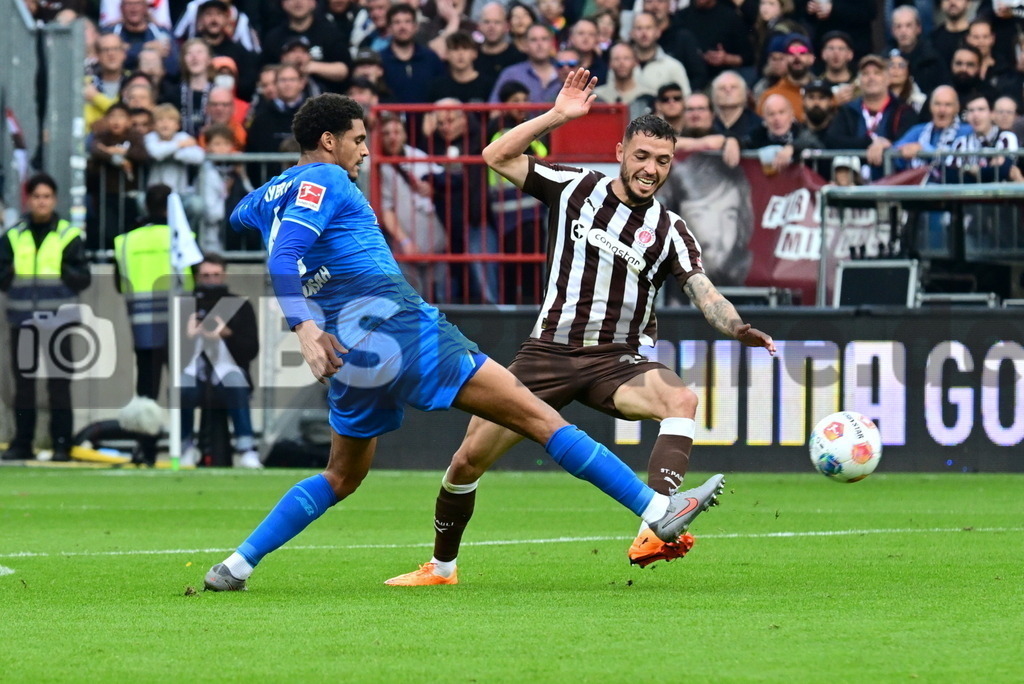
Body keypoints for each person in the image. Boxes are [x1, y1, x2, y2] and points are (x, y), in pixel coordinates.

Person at [204, 90, 731, 592]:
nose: (364, 151)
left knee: (341, 476)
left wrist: (279, 192)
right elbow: (283, 254)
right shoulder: (330, 180)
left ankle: (237, 564)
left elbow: (241, 214)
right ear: (328, 142)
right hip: (401, 330)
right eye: (358, 139)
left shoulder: (278, 191)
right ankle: (657, 509)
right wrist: (303, 326)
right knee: (541, 420)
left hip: (352, 355)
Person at [383, 74, 775, 587]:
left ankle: (655, 526)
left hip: (617, 360)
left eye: (661, 160)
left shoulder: (672, 230)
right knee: (465, 463)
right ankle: (442, 568)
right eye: (641, 156)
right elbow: (495, 157)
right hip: (546, 353)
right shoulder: (575, 187)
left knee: (681, 401)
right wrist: (557, 117)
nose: (650, 169)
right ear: (620, 151)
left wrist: (737, 325)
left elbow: (704, 291)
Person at [0, 174, 92, 462]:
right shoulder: (13, 235)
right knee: (24, 384)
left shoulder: (69, 235)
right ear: (29, 199)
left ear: (55, 199)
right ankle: (22, 442)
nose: (42, 201)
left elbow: (83, 278)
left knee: (59, 383)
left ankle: (62, 444)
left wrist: (65, 270)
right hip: (23, 319)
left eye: (47, 196)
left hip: (59, 321)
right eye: (37, 196)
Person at [113, 184, 176, 467]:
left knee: (147, 390)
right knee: (184, 387)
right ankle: (187, 445)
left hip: (143, 325)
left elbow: (118, 282)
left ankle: (145, 449)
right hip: (178, 323)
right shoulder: (180, 237)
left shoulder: (126, 241)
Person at [179, 253, 261, 469]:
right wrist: (188, 336)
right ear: (197, 277)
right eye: (206, 276)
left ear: (224, 275)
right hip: (195, 368)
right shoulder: (187, 305)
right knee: (183, 386)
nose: (211, 280)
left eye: (216, 275)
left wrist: (227, 334)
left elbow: (251, 349)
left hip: (227, 367)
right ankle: (185, 446)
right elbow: (172, 354)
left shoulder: (239, 305)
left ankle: (246, 448)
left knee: (236, 383)